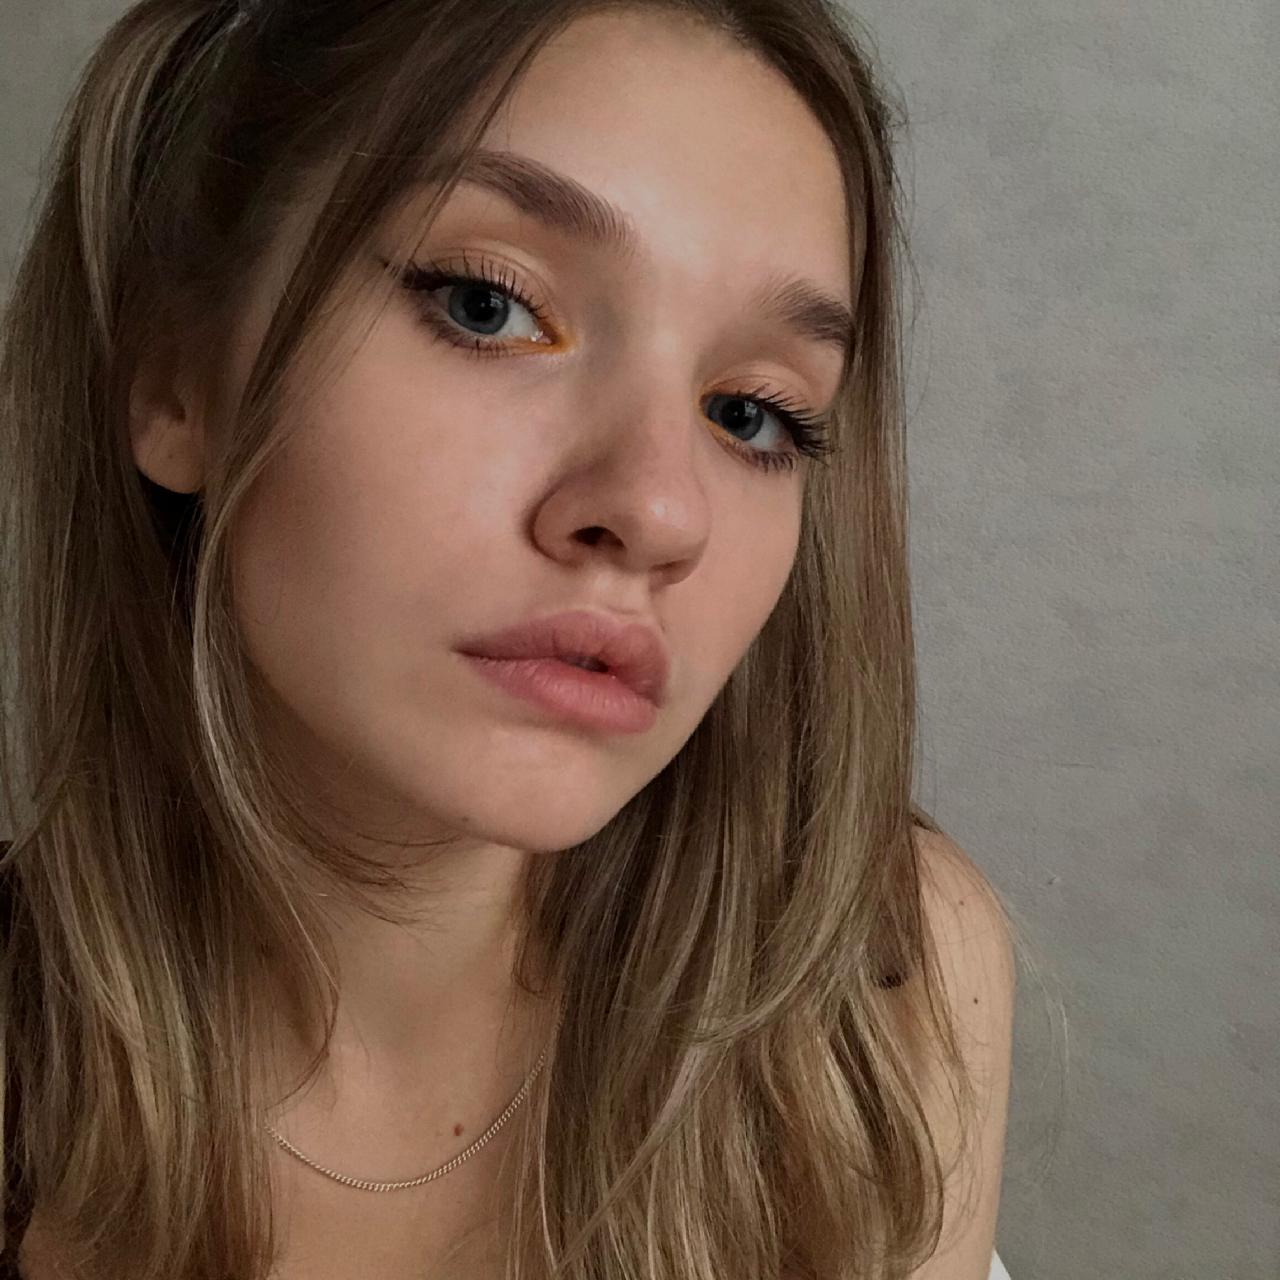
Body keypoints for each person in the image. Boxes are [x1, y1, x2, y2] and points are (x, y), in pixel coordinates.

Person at [0, 0, 1019, 1277]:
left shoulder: (879, 993)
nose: (659, 511)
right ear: (175, 375)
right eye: (488, 306)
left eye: (751, 414)